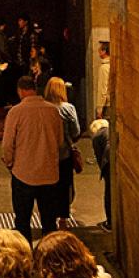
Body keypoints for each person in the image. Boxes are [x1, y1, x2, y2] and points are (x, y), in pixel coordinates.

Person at [0, 76, 67, 244]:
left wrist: (10, 163)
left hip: (23, 174)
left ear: (20, 90)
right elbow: (60, 140)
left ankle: (25, 258)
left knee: (22, 221)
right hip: (50, 174)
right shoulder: (53, 111)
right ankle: (50, 259)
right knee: (49, 222)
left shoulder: (15, 112)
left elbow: (7, 144)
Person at [46, 77, 83, 231]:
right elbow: (76, 131)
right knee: (64, 186)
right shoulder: (68, 108)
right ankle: (63, 219)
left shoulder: (44, 107)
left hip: (46, 153)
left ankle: (48, 217)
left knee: (48, 187)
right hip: (64, 153)